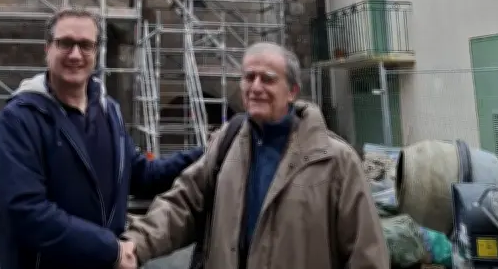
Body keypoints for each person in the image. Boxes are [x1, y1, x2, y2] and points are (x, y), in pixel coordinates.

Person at [123, 42, 390, 269]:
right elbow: (183, 205)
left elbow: (367, 254)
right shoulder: (227, 143)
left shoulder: (335, 161)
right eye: (249, 77)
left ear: (292, 91)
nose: (256, 87)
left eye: (268, 79)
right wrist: (135, 245)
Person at [0, 8, 204, 269]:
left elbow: (141, 175)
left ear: (96, 51)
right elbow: (25, 210)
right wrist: (111, 249)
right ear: (47, 48)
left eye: (85, 45)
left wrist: (206, 152)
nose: (75, 54)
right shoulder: (19, 119)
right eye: (65, 43)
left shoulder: (108, 111)